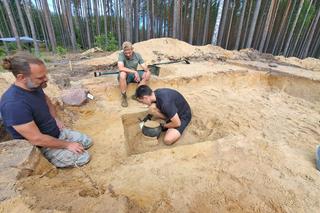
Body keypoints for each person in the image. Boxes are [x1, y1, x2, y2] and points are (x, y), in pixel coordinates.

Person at [0, 53, 92, 168]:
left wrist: (55, 119)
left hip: (56, 134)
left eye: (45, 75)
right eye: (40, 77)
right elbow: (36, 139)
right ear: (21, 77)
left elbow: (46, 100)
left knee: (87, 141)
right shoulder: (13, 104)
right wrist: (67, 145)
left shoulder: (34, 86)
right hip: (44, 145)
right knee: (84, 157)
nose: (46, 79)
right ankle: (49, 158)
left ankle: (65, 144)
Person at [118, 41, 151, 107]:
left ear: (132, 49)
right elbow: (121, 68)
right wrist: (135, 72)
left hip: (134, 76)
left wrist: (147, 71)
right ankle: (124, 96)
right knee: (122, 74)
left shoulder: (137, 55)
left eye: (129, 52)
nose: (128, 54)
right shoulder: (121, 55)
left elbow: (144, 66)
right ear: (123, 51)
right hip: (126, 76)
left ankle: (136, 94)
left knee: (147, 74)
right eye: (126, 53)